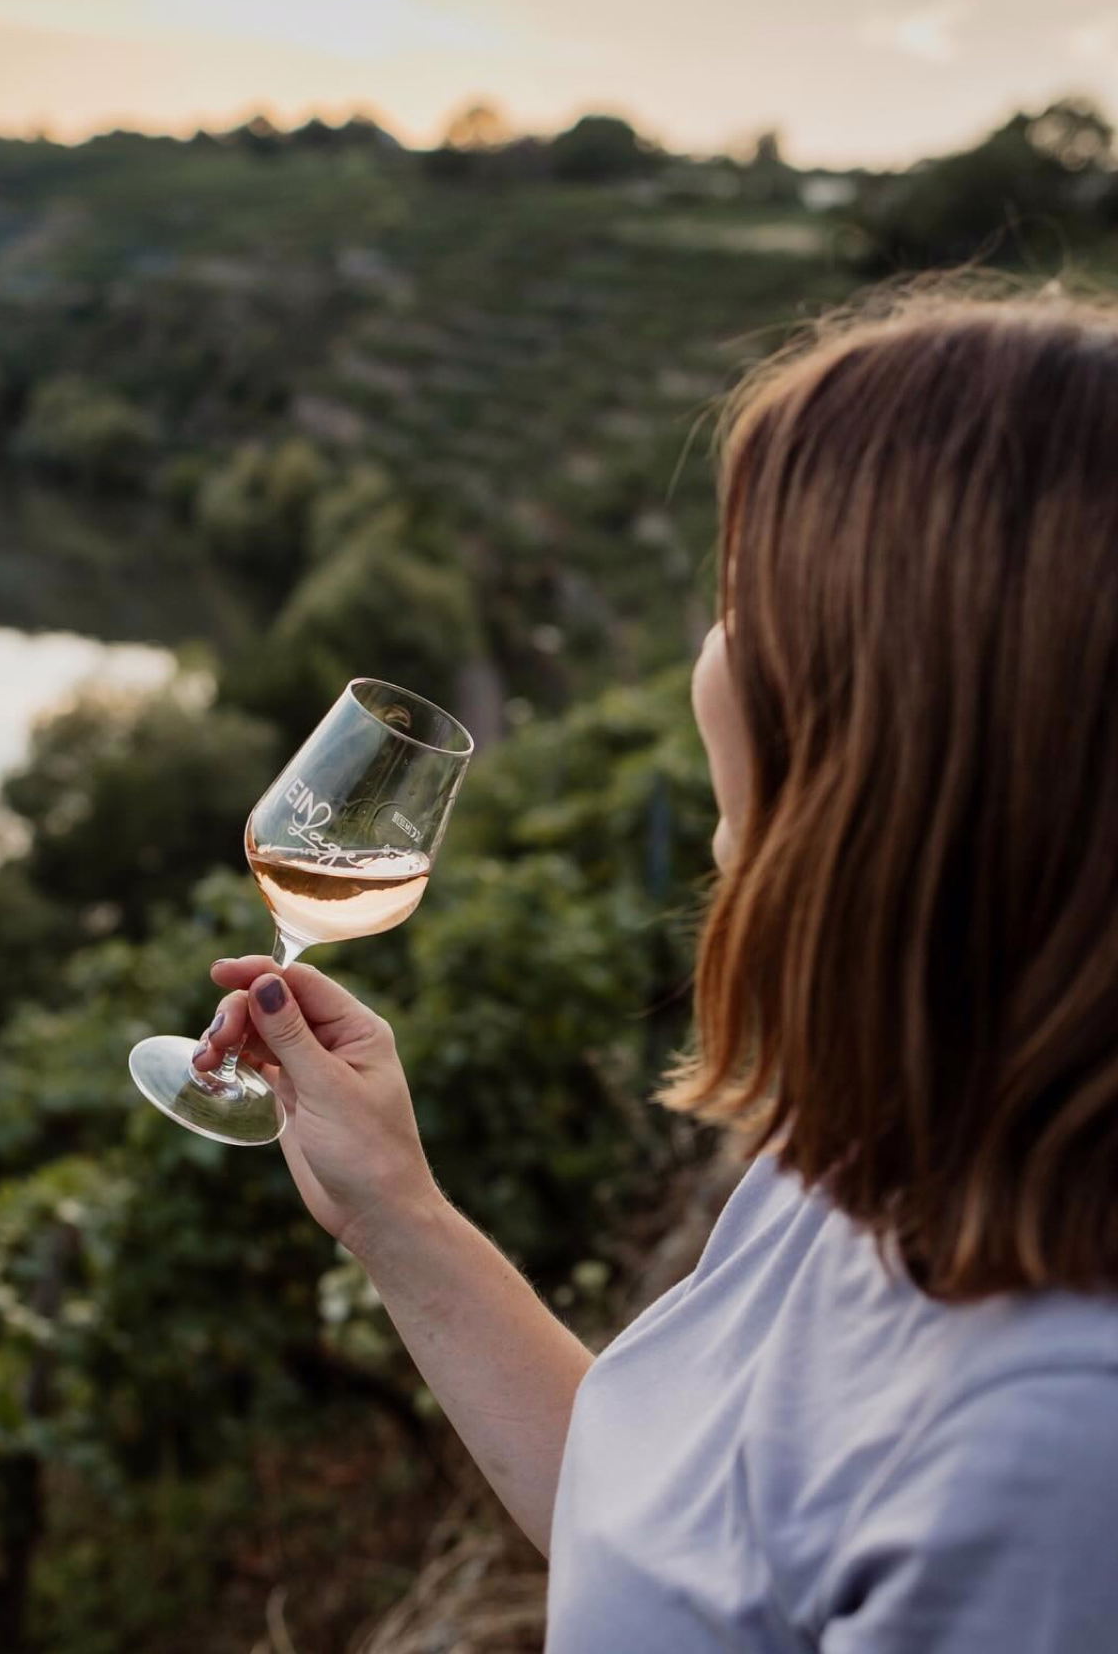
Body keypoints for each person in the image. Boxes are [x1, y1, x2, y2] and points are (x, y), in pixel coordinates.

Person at [194, 289, 1118, 1649]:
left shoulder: (1054, 1452)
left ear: (897, 736)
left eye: (754, 593)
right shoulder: (860, 1170)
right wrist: (396, 1212)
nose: (708, 647)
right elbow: (654, 1543)